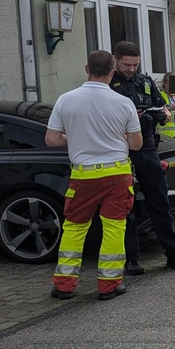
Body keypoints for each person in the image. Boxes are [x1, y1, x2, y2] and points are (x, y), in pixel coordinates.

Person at [45, 50, 143, 301]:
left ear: (87, 69)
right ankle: (109, 286)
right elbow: (136, 144)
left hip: (83, 176)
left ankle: (64, 285)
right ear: (112, 72)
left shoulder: (66, 100)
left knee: (75, 228)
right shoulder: (124, 103)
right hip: (117, 174)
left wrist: (75, 137)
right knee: (113, 228)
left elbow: (52, 139)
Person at [110, 41, 175, 274]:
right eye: (127, 64)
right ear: (115, 60)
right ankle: (131, 260)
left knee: (160, 203)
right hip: (121, 150)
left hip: (147, 148)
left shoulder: (145, 81)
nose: (131, 69)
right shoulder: (108, 84)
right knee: (126, 208)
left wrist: (160, 115)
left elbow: (165, 109)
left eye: (135, 64)